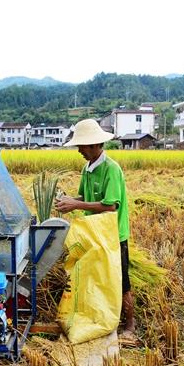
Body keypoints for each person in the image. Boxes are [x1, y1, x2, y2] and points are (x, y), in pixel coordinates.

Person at [54, 119, 136, 339]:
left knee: (121, 281)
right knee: (98, 278)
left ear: (93, 144)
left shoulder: (111, 169)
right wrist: (69, 200)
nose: (79, 150)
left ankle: (130, 326)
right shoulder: (87, 169)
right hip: (95, 233)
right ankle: (103, 318)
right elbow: (85, 197)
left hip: (114, 236)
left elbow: (110, 206)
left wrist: (76, 205)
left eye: (81, 146)